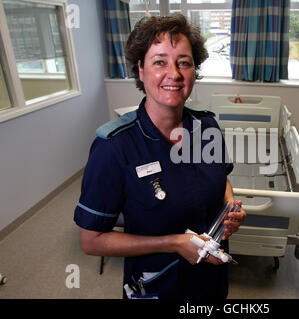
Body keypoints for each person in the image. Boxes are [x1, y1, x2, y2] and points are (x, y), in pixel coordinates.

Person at [73, 14, 246, 299]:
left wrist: (230, 209)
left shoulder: (207, 127)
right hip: (158, 283)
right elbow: (92, 241)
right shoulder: (115, 146)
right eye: (159, 62)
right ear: (140, 70)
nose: (174, 74)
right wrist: (174, 243)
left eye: (184, 62)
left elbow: (221, 178)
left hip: (211, 279)